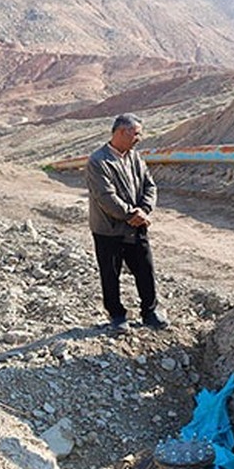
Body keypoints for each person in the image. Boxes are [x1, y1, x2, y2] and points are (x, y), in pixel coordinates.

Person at [86, 113, 169, 331]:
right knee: (110, 273)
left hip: (136, 225)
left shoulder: (135, 157)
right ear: (122, 132)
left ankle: (150, 312)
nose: (139, 137)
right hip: (109, 229)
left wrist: (144, 210)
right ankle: (117, 315)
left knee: (145, 268)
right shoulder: (98, 161)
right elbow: (105, 197)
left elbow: (150, 186)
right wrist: (132, 214)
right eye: (137, 133)